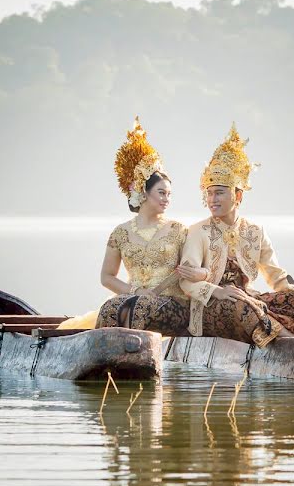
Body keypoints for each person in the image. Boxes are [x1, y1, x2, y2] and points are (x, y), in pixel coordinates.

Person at [177, 124, 294, 348]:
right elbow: (186, 283)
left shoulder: (255, 231)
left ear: (238, 196)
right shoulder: (198, 231)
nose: (212, 200)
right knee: (240, 303)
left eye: (219, 193)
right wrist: (219, 291)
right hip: (212, 305)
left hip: (249, 299)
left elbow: (276, 277)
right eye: (209, 193)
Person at [58, 119, 199, 332]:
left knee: (139, 309)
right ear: (143, 192)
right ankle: (106, 363)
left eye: (169, 194)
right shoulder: (121, 233)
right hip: (134, 298)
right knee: (110, 308)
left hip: (173, 303)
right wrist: (134, 290)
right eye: (161, 193)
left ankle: (137, 359)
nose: (166, 199)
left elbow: (193, 268)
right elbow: (106, 277)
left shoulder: (179, 230)